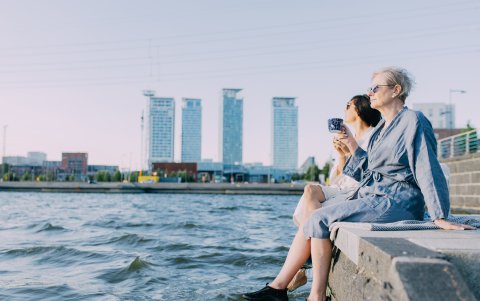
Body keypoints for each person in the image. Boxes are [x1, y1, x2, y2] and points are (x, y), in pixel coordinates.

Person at [241, 67, 475, 301]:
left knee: (318, 218)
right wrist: (351, 143)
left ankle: (313, 295)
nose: (370, 93)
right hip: (373, 197)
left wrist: (439, 215)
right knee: (316, 216)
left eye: (375, 88)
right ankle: (278, 288)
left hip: (396, 201)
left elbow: (427, 168)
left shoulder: (414, 121)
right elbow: (368, 172)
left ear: (396, 90)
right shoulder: (380, 130)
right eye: (369, 89)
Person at [287, 95, 381, 291]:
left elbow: (368, 176)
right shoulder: (346, 138)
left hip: (357, 192)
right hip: (340, 189)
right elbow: (335, 180)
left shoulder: (374, 137)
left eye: (348, 105)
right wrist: (341, 158)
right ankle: (302, 268)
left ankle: (302, 269)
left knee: (311, 202)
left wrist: (351, 150)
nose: (344, 108)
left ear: (359, 110)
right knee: (310, 191)